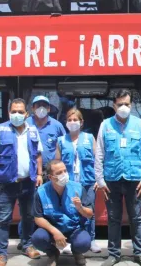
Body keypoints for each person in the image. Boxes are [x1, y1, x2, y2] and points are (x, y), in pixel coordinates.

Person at [94, 89, 141, 266]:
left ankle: (140, 253)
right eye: (120, 104)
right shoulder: (105, 125)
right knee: (113, 218)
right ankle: (113, 254)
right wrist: (100, 180)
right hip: (111, 179)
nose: (123, 107)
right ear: (114, 105)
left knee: (136, 217)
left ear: (131, 105)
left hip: (134, 179)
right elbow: (99, 154)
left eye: (127, 104)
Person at [0, 98, 43, 266]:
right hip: (6, 184)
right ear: (8, 112)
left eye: (20, 111)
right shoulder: (0, 129)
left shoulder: (33, 130)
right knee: (4, 220)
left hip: (28, 182)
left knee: (28, 216)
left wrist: (39, 173)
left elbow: (38, 153)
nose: (16, 114)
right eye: (13, 111)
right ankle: (2, 254)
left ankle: (27, 245)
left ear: (27, 114)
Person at [17, 95, 66, 250]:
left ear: (50, 108)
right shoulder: (25, 124)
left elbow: (63, 146)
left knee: (50, 204)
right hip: (31, 171)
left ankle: (48, 237)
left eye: (44, 105)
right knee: (29, 205)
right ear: (32, 108)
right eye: (38, 105)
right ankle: (25, 239)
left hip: (51, 172)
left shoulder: (57, 125)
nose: (41, 108)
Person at [31, 159, 94, 266]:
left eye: (65, 171)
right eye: (59, 173)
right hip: (52, 230)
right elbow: (38, 218)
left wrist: (80, 208)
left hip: (74, 228)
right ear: (50, 177)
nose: (64, 174)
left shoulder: (77, 188)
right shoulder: (41, 192)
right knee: (38, 238)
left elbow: (90, 214)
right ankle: (53, 253)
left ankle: (77, 252)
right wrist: (55, 232)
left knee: (84, 243)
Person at [56, 108, 101, 254]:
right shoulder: (61, 140)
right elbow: (56, 162)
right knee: (69, 210)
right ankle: (69, 239)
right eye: (69, 120)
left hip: (87, 182)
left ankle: (91, 240)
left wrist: (99, 178)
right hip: (68, 183)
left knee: (89, 211)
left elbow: (98, 160)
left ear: (81, 123)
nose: (72, 122)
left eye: (75, 120)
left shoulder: (89, 138)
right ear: (66, 123)